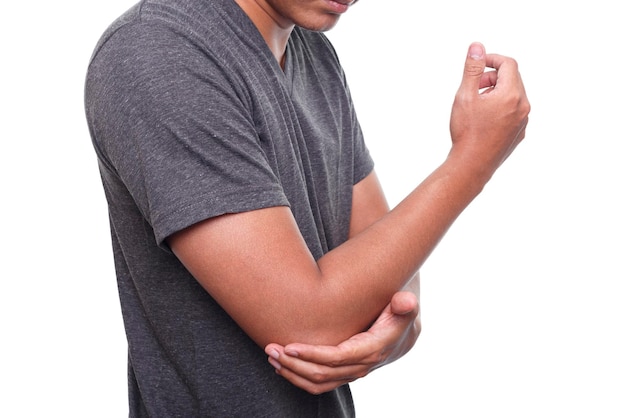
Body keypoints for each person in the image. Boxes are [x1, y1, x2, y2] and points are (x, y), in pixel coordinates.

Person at [84, 0, 529, 416]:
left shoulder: (314, 54)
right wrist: (472, 161)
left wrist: (396, 326)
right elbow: (308, 324)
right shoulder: (159, 52)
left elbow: (389, 262)